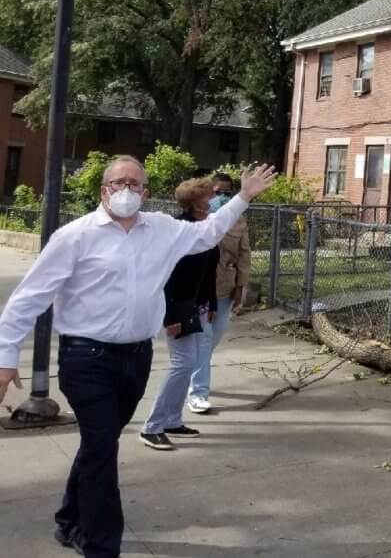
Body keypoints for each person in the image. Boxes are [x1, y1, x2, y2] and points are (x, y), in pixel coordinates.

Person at [0, 156, 277, 558]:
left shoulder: (162, 230)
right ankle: (101, 545)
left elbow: (207, 234)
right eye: (118, 183)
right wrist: (6, 358)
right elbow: (28, 300)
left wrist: (244, 197)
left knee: (101, 442)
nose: (126, 190)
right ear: (103, 190)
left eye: (135, 184)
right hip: (85, 358)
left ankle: (68, 520)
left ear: (146, 193)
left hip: (137, 359)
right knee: (102, 447)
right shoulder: (74, 237)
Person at [138, 178, 221, 450]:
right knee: (182, 364)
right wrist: (170, 315)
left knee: (190, 360)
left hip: (197, 306)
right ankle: (152, 426)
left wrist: (211, 304)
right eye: (209, 196)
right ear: (196, 201)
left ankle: (172, 420)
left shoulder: (206, 227)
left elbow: (209, 270)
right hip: (177, 306)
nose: (214, 200)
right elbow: (167, 277)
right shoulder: (178, 228)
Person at [186, 171, 250, 414]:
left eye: (226, 193)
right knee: (202, 339)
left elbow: (245, 254)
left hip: (224, 288)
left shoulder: (238, 220)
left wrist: (241, 286)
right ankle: (198, 392)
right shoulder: (197, 217)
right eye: (216, 192)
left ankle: (189, 373)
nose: (221, 197)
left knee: (213, 337)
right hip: (200, 290)